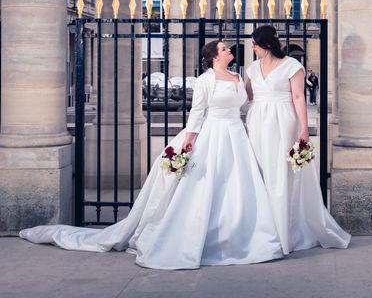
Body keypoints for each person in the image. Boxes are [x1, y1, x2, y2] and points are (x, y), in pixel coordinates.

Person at [19, 41, 283, 270]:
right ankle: (202, 234)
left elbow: (248, 103)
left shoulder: (237, 77)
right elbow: (197, 112)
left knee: (239, 186)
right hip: (213, 133)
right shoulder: (205, 80)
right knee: (208, 185)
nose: (229, 50)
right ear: (215, 56)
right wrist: (189, 140)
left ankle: (241, 234)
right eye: (224, 49)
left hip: (237, 134)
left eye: (227, 48)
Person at [245, 25, 350, 254]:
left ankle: (287, 227)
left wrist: (303, 128)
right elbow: (247, 95)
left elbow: (298, 96)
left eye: (254, 43)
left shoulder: (293, 66)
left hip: (283, 120)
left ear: (265, 44)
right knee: (261, 170)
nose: (252, 47)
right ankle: (265, 226)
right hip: (257, 120)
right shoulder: (252, 68)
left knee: (282, 172)